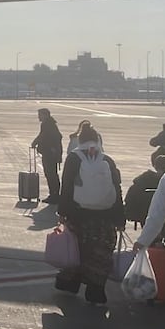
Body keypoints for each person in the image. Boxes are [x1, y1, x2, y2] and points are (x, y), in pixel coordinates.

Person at [55, 123, 124, 304]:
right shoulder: (107, 160)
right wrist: (119, 218)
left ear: (81, 140)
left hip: (80, 215)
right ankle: (96, 291)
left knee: (76, 251)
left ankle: (70, 284)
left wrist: (62, 212)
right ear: (97, 140)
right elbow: (117, 190)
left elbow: (67, 188)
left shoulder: (74, 158)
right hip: (104, 217)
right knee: (99, 255)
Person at [32, 108, 63, 204]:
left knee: (50, 174)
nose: (38, 117)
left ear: (45, 115)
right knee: (52, 174)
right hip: (51, 153)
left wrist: (35, 143)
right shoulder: (50, 124)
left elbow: (43, 136)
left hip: (50, 154)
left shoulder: (47, 124)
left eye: (40, 115)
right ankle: (55, 194)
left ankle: (54, 195)